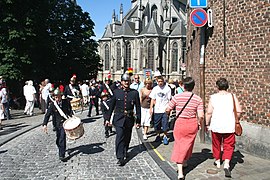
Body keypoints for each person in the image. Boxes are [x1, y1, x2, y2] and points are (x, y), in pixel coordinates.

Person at [166, 77, 204, 180]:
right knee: (188, 143)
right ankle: (185, 161)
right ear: (193, 87)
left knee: (179, 144)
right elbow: (201, 115)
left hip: (180, 123)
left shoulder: (177, 97)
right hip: (192, 123)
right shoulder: (198, 99)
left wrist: (168, 114)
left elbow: (168, 108)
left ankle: (180, 172)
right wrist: (200, 124)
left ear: (183, 86)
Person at [205, 78, 242, 178]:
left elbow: (209, 112)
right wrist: (235, 120)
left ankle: (217, 161)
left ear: (217, 87)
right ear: (227, 86)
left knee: (216, 144)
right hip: (229, 125)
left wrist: (206, 123)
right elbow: (239, 111)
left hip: (216, 125)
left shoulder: (213, 97)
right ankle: (226, 163)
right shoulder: (232, 96)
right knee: (229, 145)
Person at [108, 73, 141, 166]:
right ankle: (120, 157)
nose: (126, 82)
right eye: (125, 81)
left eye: (128, 81)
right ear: (121, 82)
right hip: (118, 118)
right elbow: (111, 106)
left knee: (127, 137)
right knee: (120, 136)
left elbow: (138, 107)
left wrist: (138, 121)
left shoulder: (134, 93)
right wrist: (107, 119)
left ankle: (125, 150)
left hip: (129, 118)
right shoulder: (116, 92)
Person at [42, 88, 73, 161]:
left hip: (65, 123)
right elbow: (47, 115)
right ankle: (60, 147)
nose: (57, 98)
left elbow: (69, 111)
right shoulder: (53, 105)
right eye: (55, 97)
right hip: (57, 124)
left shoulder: (65, 102)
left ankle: (61, 155)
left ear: (60, 96)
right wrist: (44, 124)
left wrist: (72, 116)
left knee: (62, 138)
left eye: (58, 96)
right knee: (58, 139)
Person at [149, 75, 171, 145]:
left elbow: (169, 99)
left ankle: (165, 136)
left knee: (165, 124)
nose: (160, 83)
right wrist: (151, 108)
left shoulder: (167, 89)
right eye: (159, 81)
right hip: (157, 110)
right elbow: (152, 99)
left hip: (164, 110)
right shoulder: (155, 89)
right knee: (157, 125)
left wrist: (169, 109)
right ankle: (158, 135)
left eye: (161, 81)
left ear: (163, 81)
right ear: (157, 82)